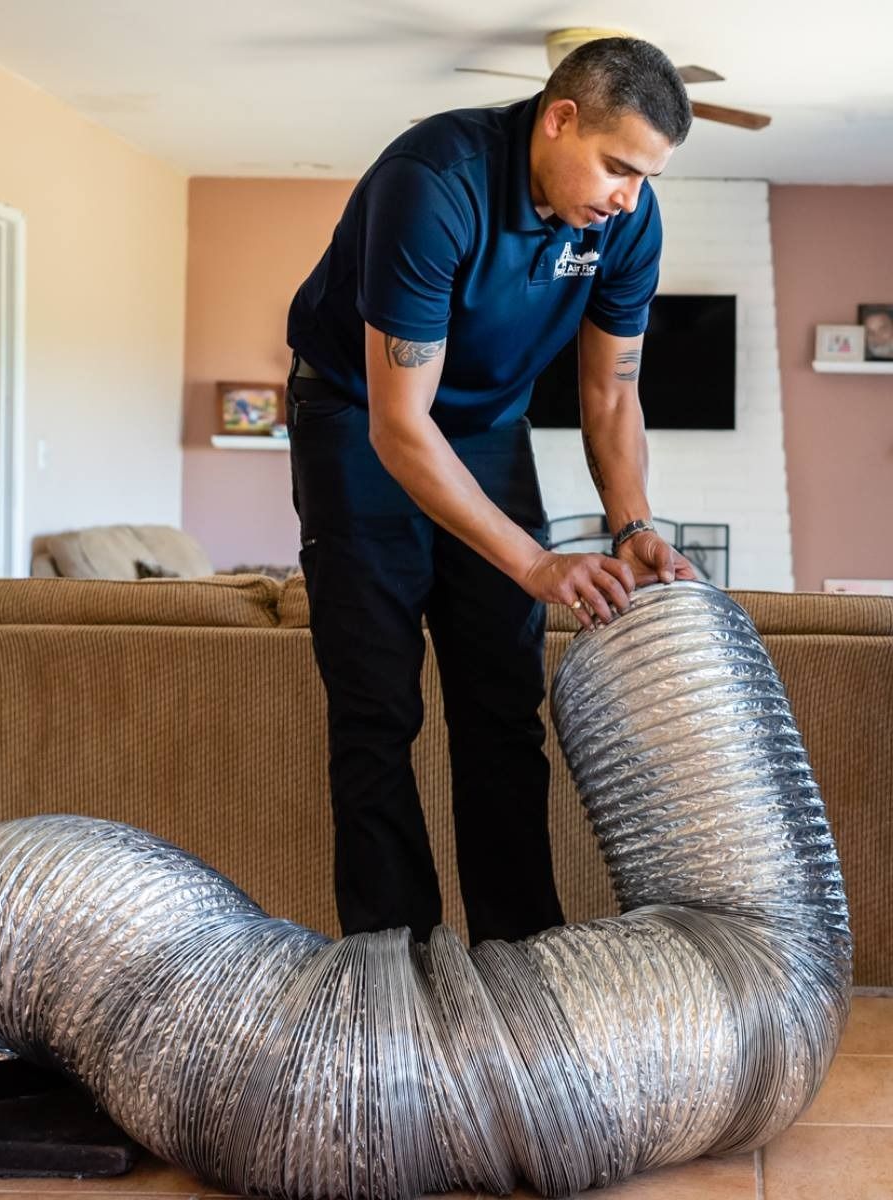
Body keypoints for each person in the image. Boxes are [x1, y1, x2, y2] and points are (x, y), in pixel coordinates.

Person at [285, 37, 698, 947]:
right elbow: (401, 426)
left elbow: (611, 392)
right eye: (619, 165)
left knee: (503, 705)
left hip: (487, 425)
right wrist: (536, 560)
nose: (630, 196)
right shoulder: (434, 182)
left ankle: (517, 956)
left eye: (647, 175)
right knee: (377, 702)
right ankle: (396, 962)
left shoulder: (627, 222)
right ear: (559, 119)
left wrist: (631, 525)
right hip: (358, 417)